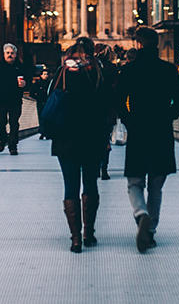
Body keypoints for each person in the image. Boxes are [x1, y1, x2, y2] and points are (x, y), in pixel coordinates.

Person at [117, 26, 179, 253]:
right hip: (161, 131)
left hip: (138, 131)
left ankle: (141, 214)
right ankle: (151, 231)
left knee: (134, 182)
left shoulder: (129, 70)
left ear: (138, 44)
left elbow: (118, 101)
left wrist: (129, 120)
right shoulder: (167, 70)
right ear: (156, 44)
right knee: (156, 185)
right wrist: (167, 116)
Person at [50, 37, 110, 253]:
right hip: (92, 138)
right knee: (91, 184)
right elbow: (107, 106)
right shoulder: (97, 73)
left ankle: (75, 239)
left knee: (70, 186)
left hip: (66, 138)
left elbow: (49, 100)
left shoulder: (62, 73)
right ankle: (89, 233)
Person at [0, 43, 29, 155]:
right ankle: (3, 139)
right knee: (0, 122)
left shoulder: (20, 66)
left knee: (14, 123)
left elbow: (28, 80)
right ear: (4, 54)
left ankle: (12, 146)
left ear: (15, 55)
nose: (10, 55)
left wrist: (25, 84)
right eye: (8, 53)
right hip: (0, 100)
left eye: (12, 53)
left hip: (15, 101)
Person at [95, 44, 120, 180]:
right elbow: (117, 89)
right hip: (108, 109)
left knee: (94, 138)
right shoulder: (112, 68)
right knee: (105, 138)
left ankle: (95, 166)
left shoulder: (91, 67)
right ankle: (104, 168)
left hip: (92, 110)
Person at [31, 66, 51, 139]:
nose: (46, 76)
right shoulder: (37, 84)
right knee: (41, 117)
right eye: (44, 74)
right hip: (40, 102)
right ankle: (43, 132)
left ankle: (47, 132)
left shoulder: (50, 83)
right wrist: (38, 98)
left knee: (47, 118)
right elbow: (31, 93)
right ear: (41, 75)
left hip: (48, 102)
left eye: (47, 74)